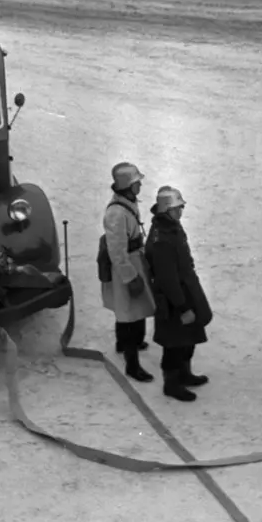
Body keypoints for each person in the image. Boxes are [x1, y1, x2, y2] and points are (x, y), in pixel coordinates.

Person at [144, 186, 213, 403]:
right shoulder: (162, 239)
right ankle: (172, 384)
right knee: (174, 342)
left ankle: (184, 374)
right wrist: (182, 306)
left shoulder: (171, 228)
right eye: (177, 208)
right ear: (166, 210)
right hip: (174, 299)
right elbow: (167, 278)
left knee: (187, 338)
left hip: (185, 290)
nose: (180, 212)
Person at [99, 162, 157, 382]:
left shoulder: (126, 203)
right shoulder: (116, 213)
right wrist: (130, 277)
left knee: (128, 309)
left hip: (133, 261)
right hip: (126, 266)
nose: (140, 185)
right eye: (136, 182)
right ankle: (132, 364)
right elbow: (117, 250)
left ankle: (123, 343)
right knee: (130, 314)